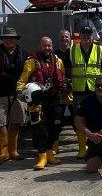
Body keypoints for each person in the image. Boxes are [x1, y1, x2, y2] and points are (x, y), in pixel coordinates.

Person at [16, 36, 67, 170]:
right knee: (39, 129)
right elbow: (23, 79)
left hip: (54, 99)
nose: (47, 48)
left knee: (54, 127)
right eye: (44, 46)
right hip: (37, 100)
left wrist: (64, 88)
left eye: (49, 46)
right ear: (40, 46)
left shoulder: (58, 61)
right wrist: (19, 91)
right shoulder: (32, 61)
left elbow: (63, 77)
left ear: (52, 46)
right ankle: (42, 156)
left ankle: (50, 154)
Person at [0, 27, 28, 165]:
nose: (9, 40)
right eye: (6, 37)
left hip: (18, 94)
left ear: (16, 39)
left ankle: (13, 151)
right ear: (2, 39)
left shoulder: (24, 54)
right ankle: (3, 153)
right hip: (0, 93)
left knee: (15, 122)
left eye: (11, 37)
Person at [70, 26, 102, 158]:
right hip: (78, 90)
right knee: (79, 120)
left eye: (88, 34)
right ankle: (82, 149)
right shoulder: (73, 49)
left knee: (97, 119)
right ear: (79, 35)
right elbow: (69, 69)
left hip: (95, 90)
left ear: (92, 35)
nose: (86, 36)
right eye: (83, 33)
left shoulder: (100, 49)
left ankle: (97, 148)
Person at [53, 29, 74, 154]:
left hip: (72, 90)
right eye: (62, 37)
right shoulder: (54, 54)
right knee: (56, 120)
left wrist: (70, 84)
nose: (64, 39)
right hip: (59, 91)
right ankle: (54, 146)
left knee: (76, 118)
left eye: (66, 37)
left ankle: (83, 147)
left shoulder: (74, 53)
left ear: (69, 38)